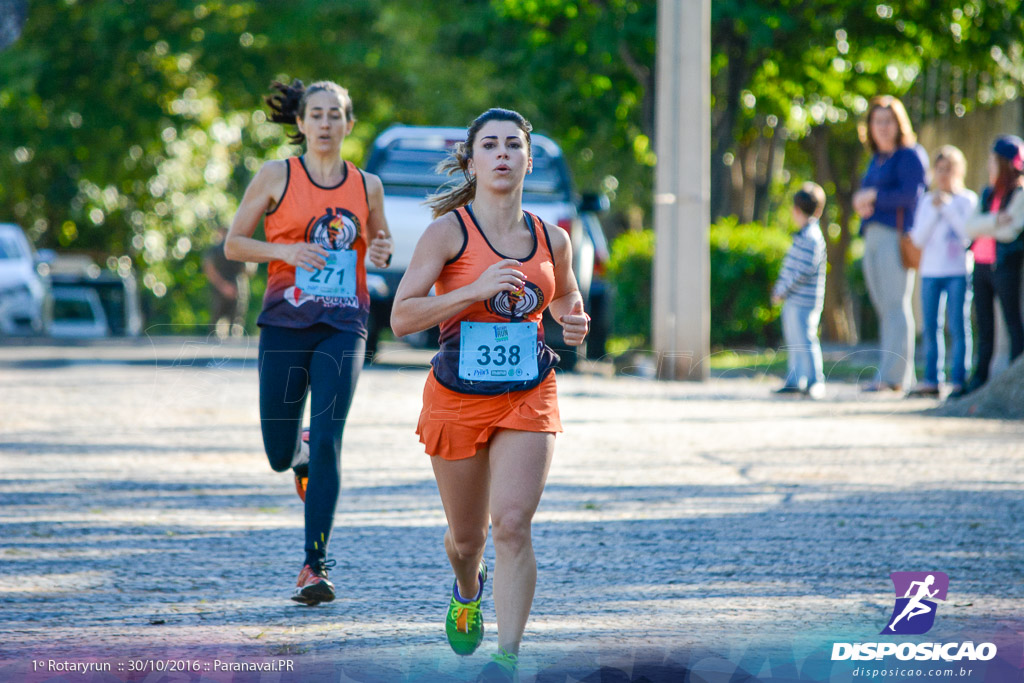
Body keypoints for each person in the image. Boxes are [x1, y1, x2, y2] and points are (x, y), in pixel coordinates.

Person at [390, 108, 589, 682]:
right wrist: (474, 289)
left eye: (513, 146)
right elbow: (403, 316)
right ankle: (465, 587)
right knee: (467, 537)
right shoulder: (447, 231)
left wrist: (572, 320)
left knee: (512, 524)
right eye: (490, 146)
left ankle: (507, 657)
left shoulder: (552, 236)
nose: (503, 155)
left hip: (528, 391)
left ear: (527, 160)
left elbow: (565, 297)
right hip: (456, 395)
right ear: (471, 160)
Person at [224, 79, 393, 605]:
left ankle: (313, 566)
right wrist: (289, 252)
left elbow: (379, 245)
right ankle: (294, 454)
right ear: (299, 123)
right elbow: (234, 244)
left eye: (334, 114)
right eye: (315, 114)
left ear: (348, 123)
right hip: (284, 322)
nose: (324, 123)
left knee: (328, 440)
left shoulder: (368, 186)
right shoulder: (278, 175)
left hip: (345, 324)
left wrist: (381, 251)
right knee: (280, 453)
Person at [852, 95, 927, 393]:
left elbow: (912, 196)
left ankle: (893, 378)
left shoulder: (909, 155)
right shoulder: (876, 159)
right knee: (885, 307)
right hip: (871, 236)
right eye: (877, 121)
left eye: (888, 121)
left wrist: (872, 197)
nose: (882, 127)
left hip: (894, 237)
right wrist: (863, 201)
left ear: (899, 124)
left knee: (896, 306)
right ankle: (893, 374)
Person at [905, 146, 977, 398]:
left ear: (959, 171)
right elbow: (918, 238)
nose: (944, 175)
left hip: (958, 270)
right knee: (931, 326)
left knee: (958, 324)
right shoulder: (926, 200)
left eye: (949, 169)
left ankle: (959, 378)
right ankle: (932, 379)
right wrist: (936, 210)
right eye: (940, 169)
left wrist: (947, 207)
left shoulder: (967, 200)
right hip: (931, 271)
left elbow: (969, 233)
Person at [961, 135, 1024, 395]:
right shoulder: (988, 194)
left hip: (1005, 266)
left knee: (1012, 321)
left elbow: (1012, 231)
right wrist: (996, 219)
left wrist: (987, 225)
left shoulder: (1019, 194)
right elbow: (969, 227)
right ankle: (980, 378)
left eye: (993, 160)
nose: (989, 165)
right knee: (984, 325)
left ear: (1004, 164)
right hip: (981, 265)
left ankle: (1014, 375)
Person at [771, 182, 828, 399]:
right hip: (793, 299)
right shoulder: (804, 235)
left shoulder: (811, 237)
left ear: (796, 210)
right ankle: (796, 379)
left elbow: (802, 271)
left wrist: (782, 290)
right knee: (794, 340)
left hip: (804, 300)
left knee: (806, 339)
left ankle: (815, 381)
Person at [203, 226, 250, 338]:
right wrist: (224, 286)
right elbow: (209, 269)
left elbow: (247, 270)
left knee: (235, 324)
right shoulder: (216, 250)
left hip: (235, 288)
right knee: (218, 323)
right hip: (227, 288)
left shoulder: (219, 249)